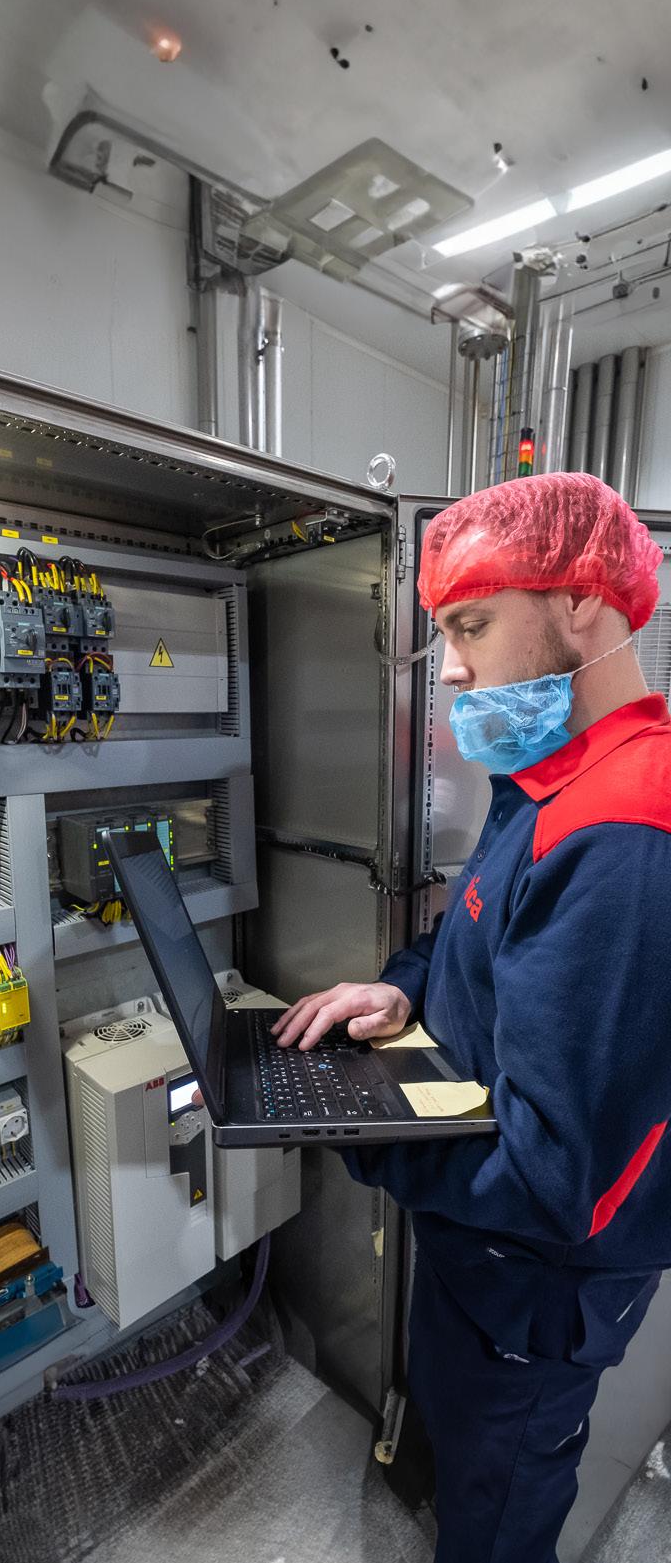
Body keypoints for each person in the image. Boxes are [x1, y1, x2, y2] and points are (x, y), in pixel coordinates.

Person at [271, 472, 671, 1563]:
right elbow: (476, 934)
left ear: (581, 600)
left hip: (535, 1294)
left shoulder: (627, 834)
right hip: (475, 1258)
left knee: (496, 1522)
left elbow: (554, 1179)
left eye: (472, 625)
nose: (449, 665)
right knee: (460, 1458)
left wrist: (357, 1127)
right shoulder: (550, 779)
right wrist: (405, 985)